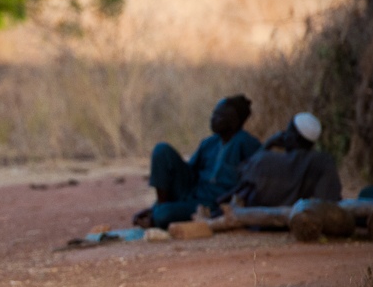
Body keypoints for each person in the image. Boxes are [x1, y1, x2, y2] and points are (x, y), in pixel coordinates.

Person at [133, 95, 261, 229]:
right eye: (213, 114)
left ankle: (158, 215)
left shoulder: (247, 143)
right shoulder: (209, 142)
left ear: (233, 121)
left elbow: (253, 182)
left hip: (212, 204)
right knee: (161, 150)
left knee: (163, 215)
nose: (213, 119)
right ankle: (159, 207)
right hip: (192, 193)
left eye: (219, 115)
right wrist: (154, 206)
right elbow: (189, 172)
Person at [227, 112, 342, 207]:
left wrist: (268, 144)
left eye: (288, 132)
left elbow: (242, 172)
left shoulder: (266, 159)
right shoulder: (321, 161)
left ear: (294, 137)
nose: (284, 135)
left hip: (260, 222)